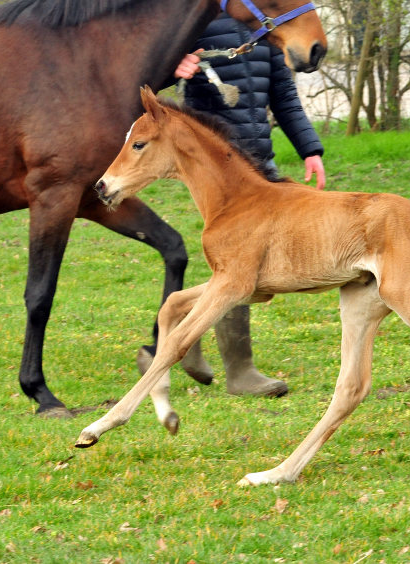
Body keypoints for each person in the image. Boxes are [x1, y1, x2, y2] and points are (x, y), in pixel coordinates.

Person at [173, 12, 326, 397]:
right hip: (220, 174)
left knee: (250, 266)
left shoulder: (267, 31)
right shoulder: (197, 21)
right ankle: (238, 371)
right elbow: (154, 72)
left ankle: (181, 336)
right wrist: (176, 69)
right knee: (238, 266)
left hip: (259, 164)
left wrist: (310, 149)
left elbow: (284, 97)